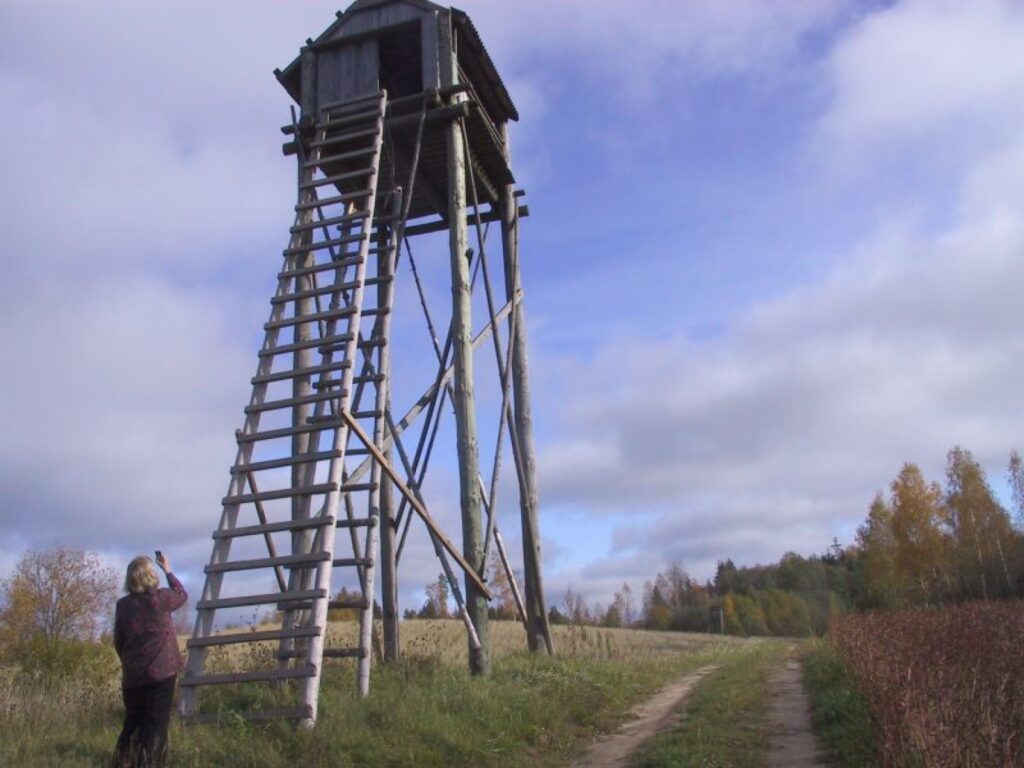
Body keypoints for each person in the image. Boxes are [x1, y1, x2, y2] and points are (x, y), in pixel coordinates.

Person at [113, 552, 187, 768]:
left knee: (132, 724)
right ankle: (149, 764)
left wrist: (129, 662)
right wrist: (168, 570)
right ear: (149, 575)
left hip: (133, 676)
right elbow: (181, 594)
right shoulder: (161, 599)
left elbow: (119, 640)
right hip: (161, 674)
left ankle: (122, 763)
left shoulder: (123, 605)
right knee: (156, 725)